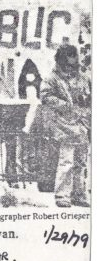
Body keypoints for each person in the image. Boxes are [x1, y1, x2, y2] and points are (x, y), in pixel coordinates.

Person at [39, 44, 91, 207]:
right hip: (64, 124)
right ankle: (62, 195)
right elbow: (46, 97)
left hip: (82, 123)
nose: (73, 59)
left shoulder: (83, 77)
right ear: (62, 58)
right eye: (69, 56)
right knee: (66, 160)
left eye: (74, 56)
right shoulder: (52, 78)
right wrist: (66, 105)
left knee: (81, 162)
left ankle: (78, 194)